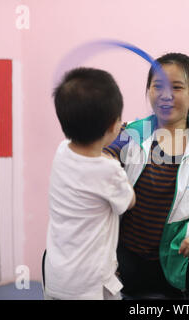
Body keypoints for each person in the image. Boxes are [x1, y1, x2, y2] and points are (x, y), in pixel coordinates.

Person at [104, 53, 189, 300]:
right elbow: (106, 156)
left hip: (181, 260)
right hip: (126, 260)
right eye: (157, 86)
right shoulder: (131, 132)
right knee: (62, 256)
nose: (166, 95)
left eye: (176, 87)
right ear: (149, 90)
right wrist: (108, 162)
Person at [44, 67, 136, 300]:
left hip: (56, 277)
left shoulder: (61, 151)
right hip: (92, 285)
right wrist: (114, 164)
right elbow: (129, 201)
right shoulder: (109, 170)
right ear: (112, 126)